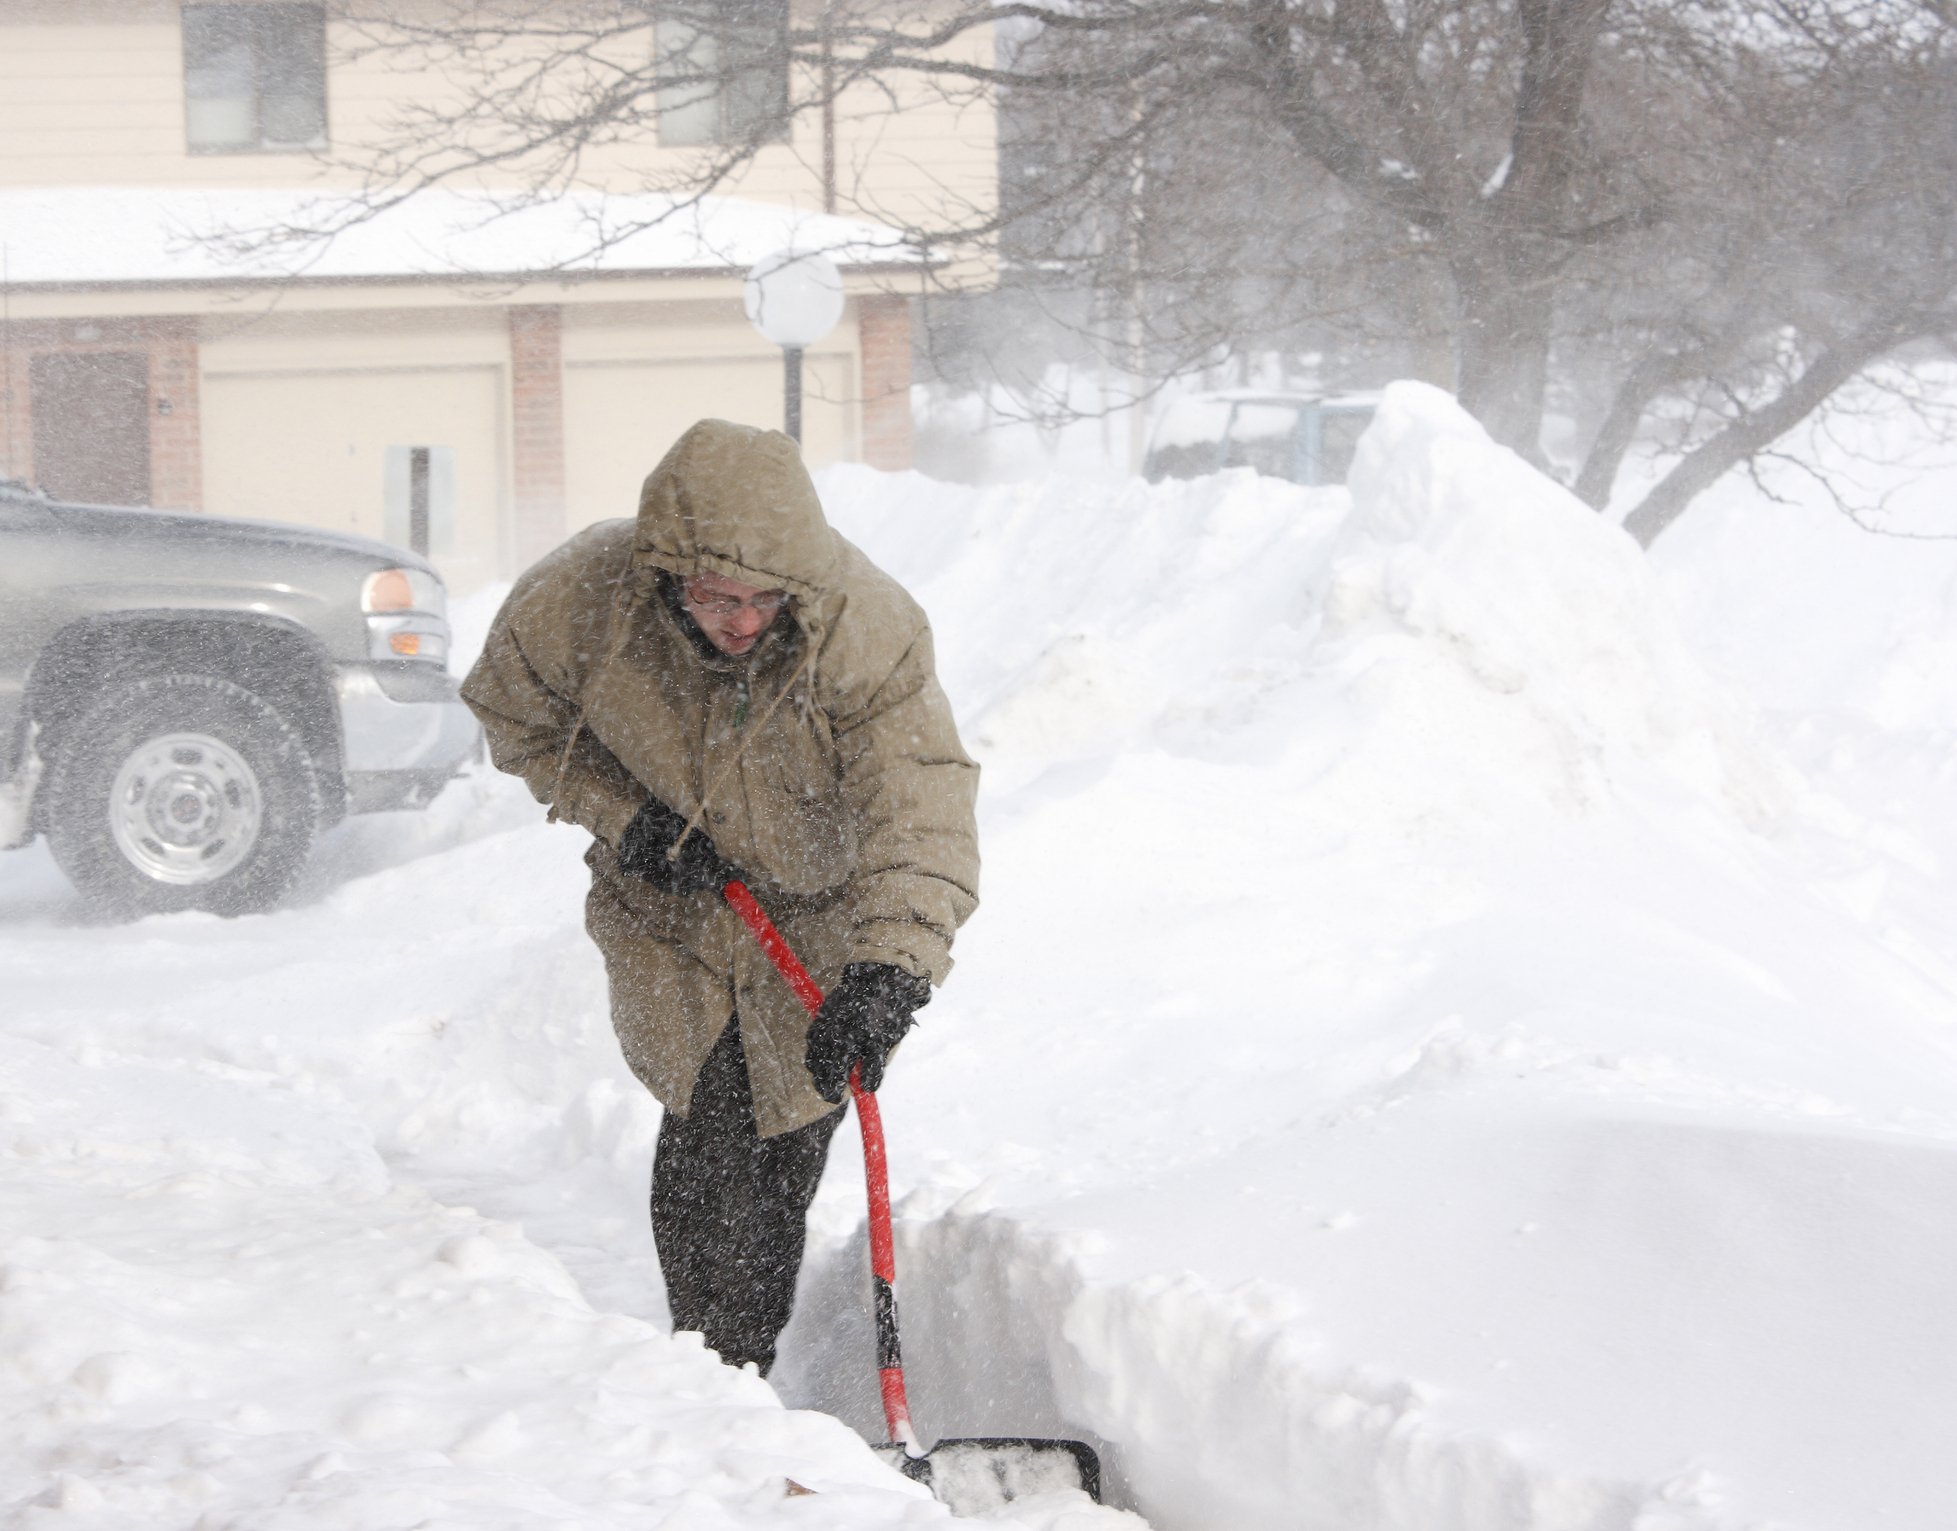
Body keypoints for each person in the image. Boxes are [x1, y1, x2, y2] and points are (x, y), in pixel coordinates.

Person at [460, 418, 979, 1376]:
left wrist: (890, 969)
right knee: (713, 1118)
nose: (743, 622)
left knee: (789, 1126)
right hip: (675, 911)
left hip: (820, 921)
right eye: (715, 597)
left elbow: (923, 810)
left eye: (765, 599)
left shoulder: (864, 629)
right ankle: (715, 1365)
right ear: (666, 572)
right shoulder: (582, 600)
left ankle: (736, 1361)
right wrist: (628, 819)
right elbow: (512, 715)